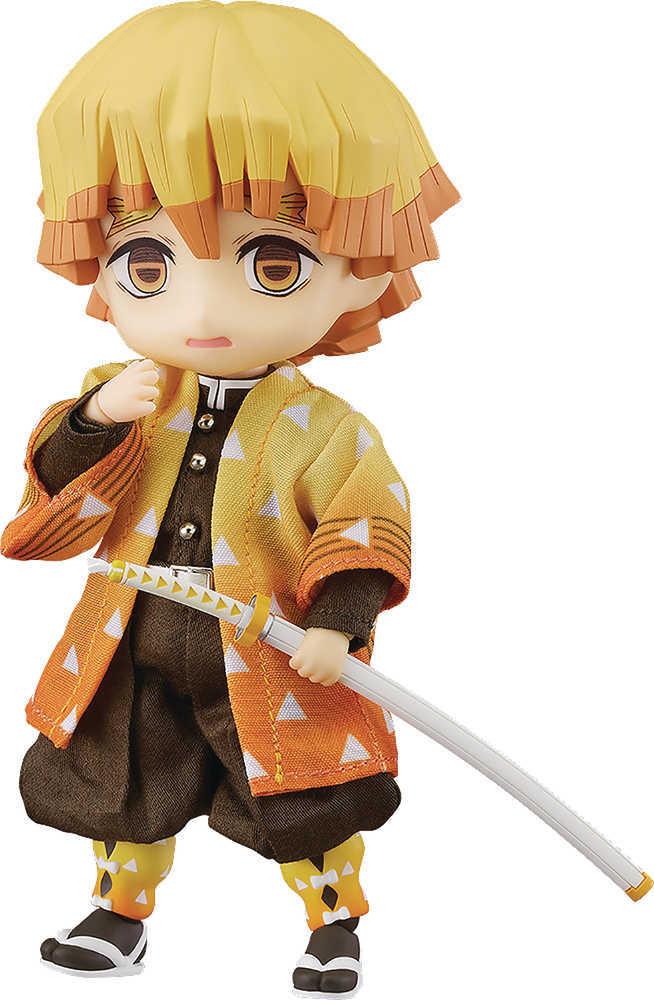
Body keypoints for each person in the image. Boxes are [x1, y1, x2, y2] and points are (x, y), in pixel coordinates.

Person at [2, 2, 458, 993]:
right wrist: (94, 422)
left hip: (272, 649)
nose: (203, 308)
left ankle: (333, 922)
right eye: (149, 263)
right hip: (131, 642)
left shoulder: (327, 429)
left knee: (304, 795)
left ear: (359, 271)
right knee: (123, 780)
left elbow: (364, 521)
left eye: (272, 262)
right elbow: (56, 496)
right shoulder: (127, 393)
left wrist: (339, 620)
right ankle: (120, 912)